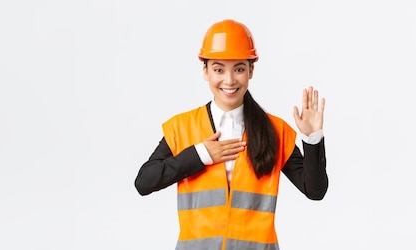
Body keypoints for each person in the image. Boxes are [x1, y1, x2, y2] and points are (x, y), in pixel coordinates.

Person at [134, 19, 328, 250]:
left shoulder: (275, 131)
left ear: (251, 71)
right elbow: (144, 182)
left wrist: (311, 139)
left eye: (238, 69)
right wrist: (200, 154)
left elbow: (315, 190)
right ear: (205, 71)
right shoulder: (181, 127)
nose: (229, 80)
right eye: (218, 69)